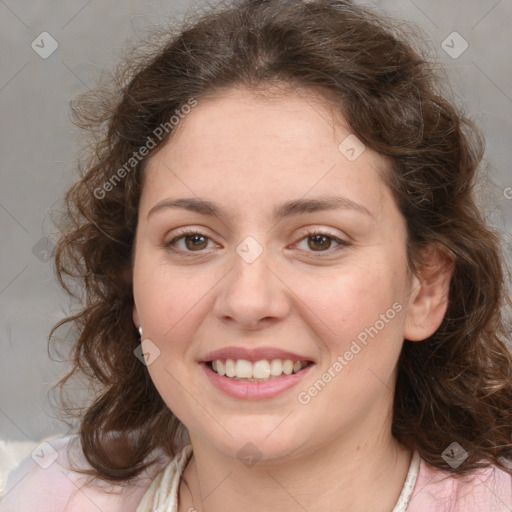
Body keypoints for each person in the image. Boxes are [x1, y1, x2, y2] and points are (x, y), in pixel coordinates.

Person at [1, 0, 512, 510]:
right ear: (131, 280)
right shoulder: (51, 495)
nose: (248, 301)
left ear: (423, 288)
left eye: (319, 240)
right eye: (193, 240)